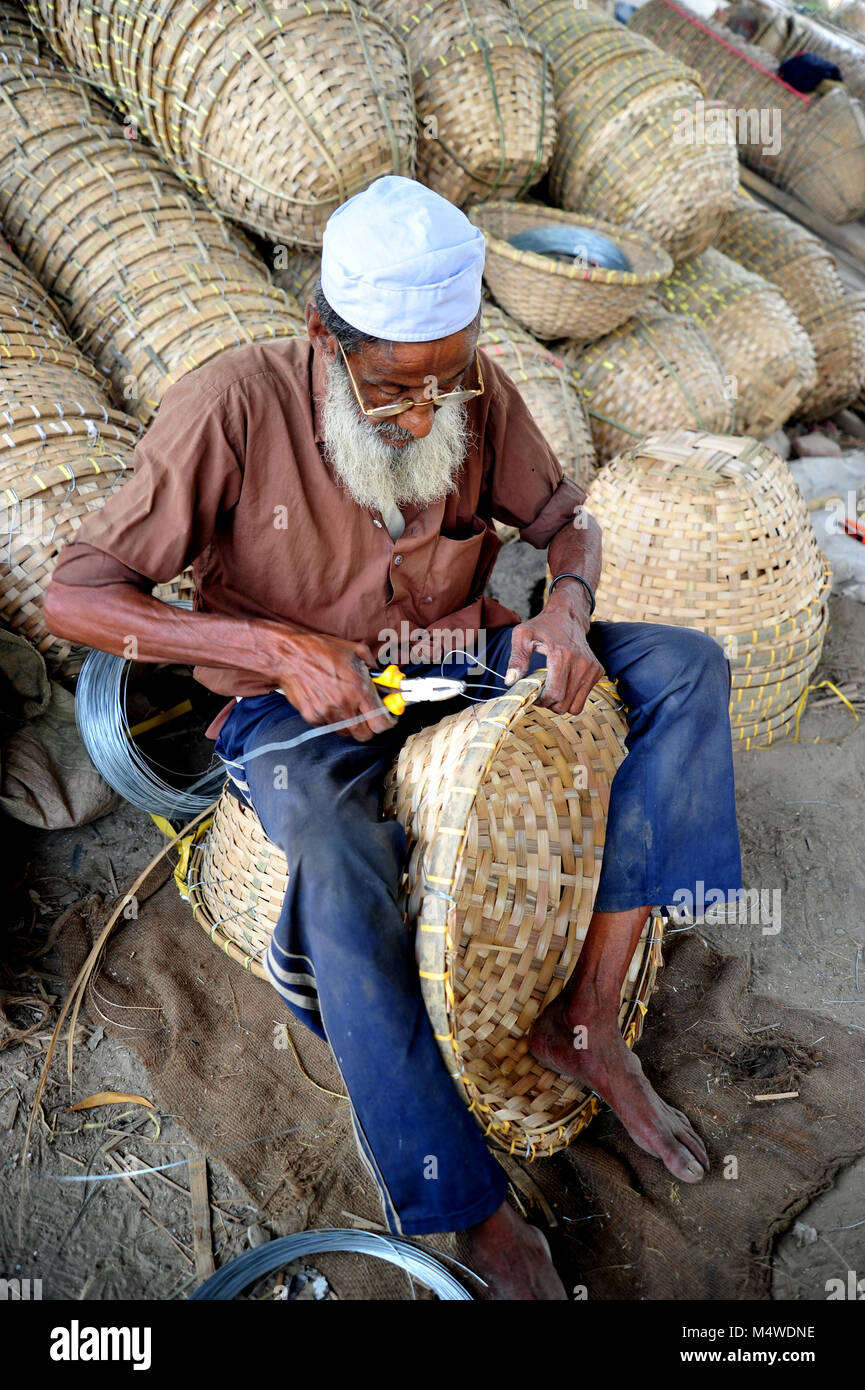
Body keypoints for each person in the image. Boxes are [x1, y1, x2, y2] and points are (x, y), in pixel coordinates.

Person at [44, 176, 742, 1300]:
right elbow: (76, 598)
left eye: (447, 378)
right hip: (295, 699)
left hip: (452, 661)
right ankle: (459, 1200)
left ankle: (591, 1019)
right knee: (333, 842)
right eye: (393, 387)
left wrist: (562, 609)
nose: (426, 414)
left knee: (683, 671)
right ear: (323, 335)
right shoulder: (231, 404)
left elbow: (566, 522)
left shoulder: (471, 384)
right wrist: (276, 648)